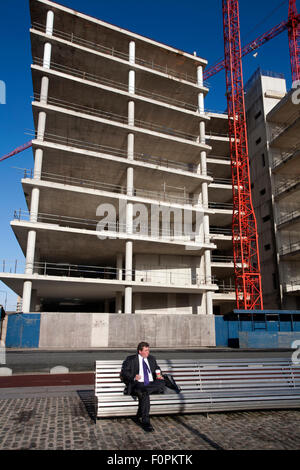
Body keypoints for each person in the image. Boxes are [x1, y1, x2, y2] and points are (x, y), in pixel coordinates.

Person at [120, 341, 166, 432]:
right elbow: (124, 372)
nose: (148, 352)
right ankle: (146, 422)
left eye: (148, 350)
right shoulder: (131, 359)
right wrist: (133, 377)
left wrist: (159, 374)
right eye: (146, 350)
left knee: (161, 382)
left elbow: (157, 369)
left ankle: (145, 391)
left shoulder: (152, 359)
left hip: (151, 384)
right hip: (138, 384)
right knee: (145, 393)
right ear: (140, 351)